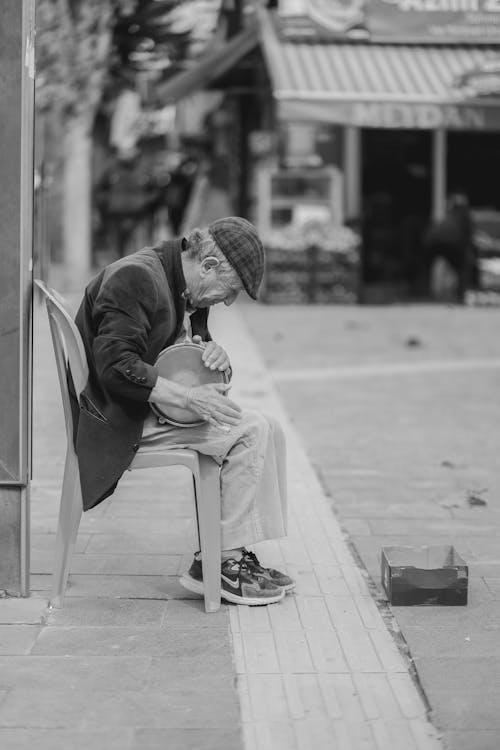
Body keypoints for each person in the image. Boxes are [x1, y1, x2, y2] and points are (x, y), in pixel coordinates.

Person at [72, 216, 293, 606]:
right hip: (118, 418)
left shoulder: (177, 282)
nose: (227, 301)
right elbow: (115, 366)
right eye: (231, 290)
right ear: (207, 266)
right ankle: (219, 561)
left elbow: (186, 356)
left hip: (143, 407)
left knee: (269, 427)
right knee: (252, 430)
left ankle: (230, 553)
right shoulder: (137, 279)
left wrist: (218, 359)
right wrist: (191, 399)